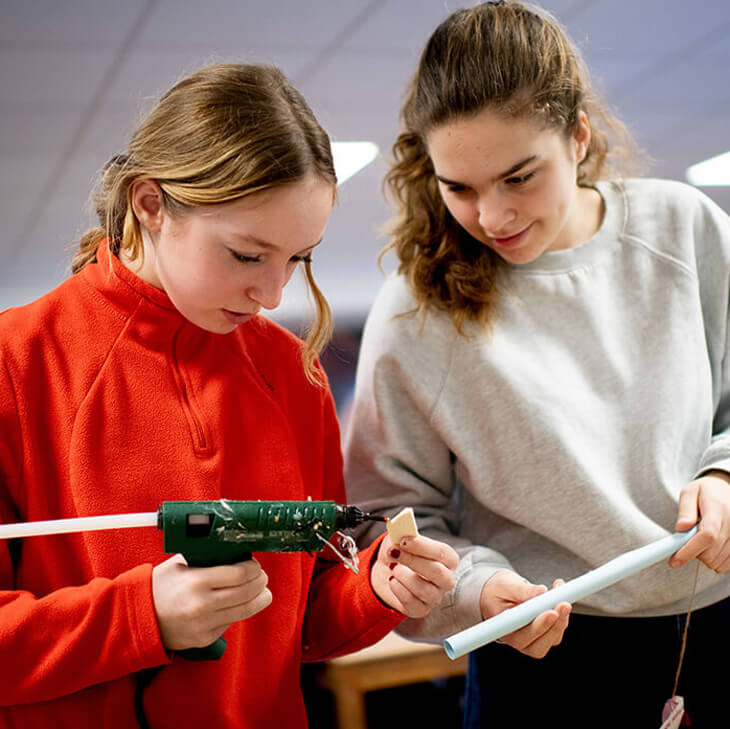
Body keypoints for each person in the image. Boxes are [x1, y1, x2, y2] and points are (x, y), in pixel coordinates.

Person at [0, 63, 459, 729]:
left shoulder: (292, 373)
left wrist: (375, 588)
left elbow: (300, 623)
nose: (273, 295)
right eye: (247, 255)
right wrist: (142, 616)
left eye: (298, 259)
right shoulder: (18, 362)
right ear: (150, 204)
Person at [343, 2, 730, 727]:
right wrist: (477, 587)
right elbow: (385, 522)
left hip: (713, 612)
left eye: (520, 177)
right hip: (541, 658)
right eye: (458, 187)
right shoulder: (415, 308)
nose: (492, 217)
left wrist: (725, 472)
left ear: (578, 136)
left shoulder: (685, 228)